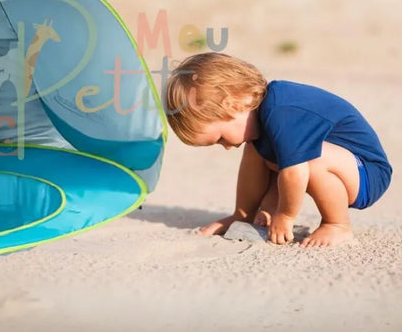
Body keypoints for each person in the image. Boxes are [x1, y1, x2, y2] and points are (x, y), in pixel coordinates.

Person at [164, 52, 392, 247]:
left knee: (309, 158)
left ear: (233, 105)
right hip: (338, 165)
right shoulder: (261, 122)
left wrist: (285, 215)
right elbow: (278, 166)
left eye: (220, 138)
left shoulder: (280, 110)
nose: (225, 147)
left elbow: (295, 171)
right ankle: (244, 215)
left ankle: (337, 224)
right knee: (256, 148)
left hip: (367, 172)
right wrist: (262, 211)